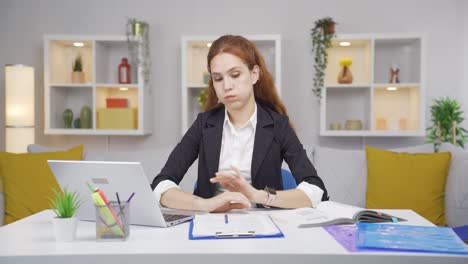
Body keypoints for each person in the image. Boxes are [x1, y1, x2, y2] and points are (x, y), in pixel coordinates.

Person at [151, 35, 328, 213]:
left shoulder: (278, 125)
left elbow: (315, 189)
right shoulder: (203, 124)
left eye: (235, 75)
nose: (226, 85)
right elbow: (161, 185)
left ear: (254, 74)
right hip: (210, 224)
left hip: (265, 224)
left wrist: (259, 195)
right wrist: (205, 204)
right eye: (218, 78)